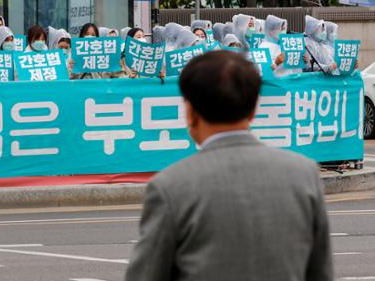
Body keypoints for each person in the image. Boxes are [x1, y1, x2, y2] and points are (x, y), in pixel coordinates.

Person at [125, 50, 332, 281]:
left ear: (190, 112)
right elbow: (320, 272)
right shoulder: (304, 174)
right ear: (253, 110)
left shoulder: (169, 186)